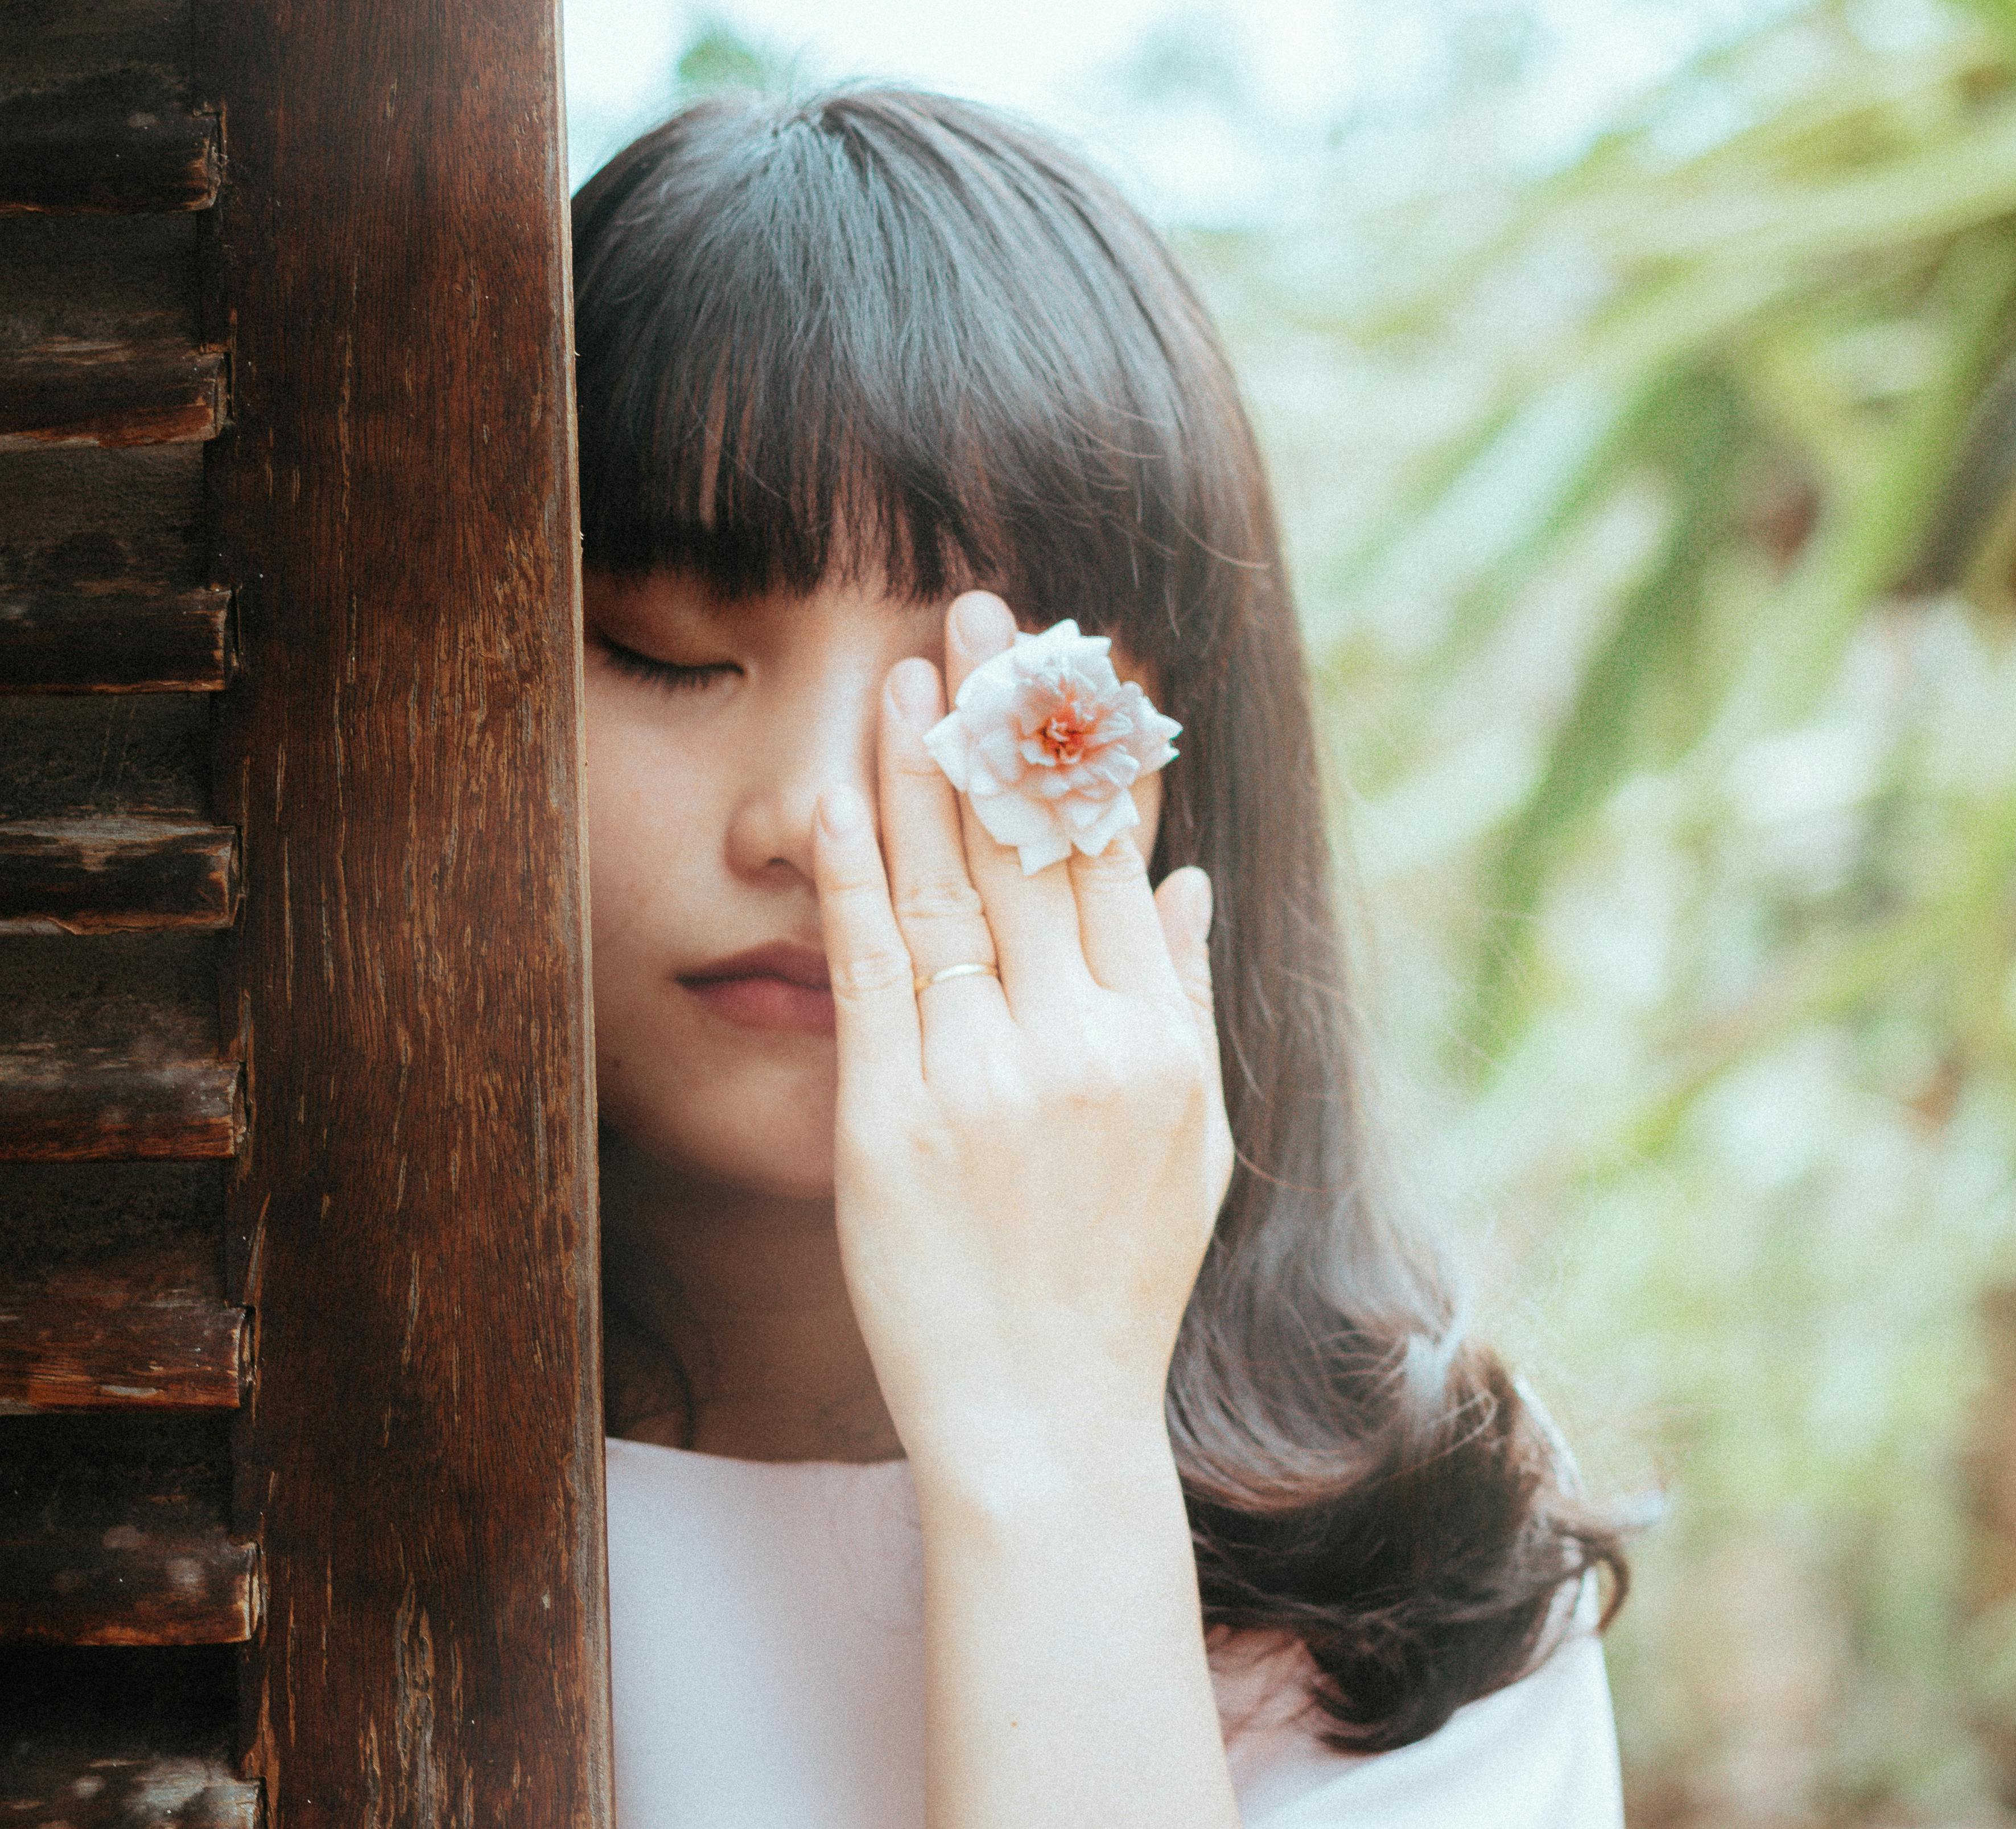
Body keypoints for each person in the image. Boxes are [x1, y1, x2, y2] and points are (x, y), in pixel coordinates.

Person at [571, 85, 1632, 1828]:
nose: (813, 822)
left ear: (1178, 759)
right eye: (666, 651)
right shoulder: (224, 1442)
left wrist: (1056, 1455)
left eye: (982, 690)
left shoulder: (1404, 1574)